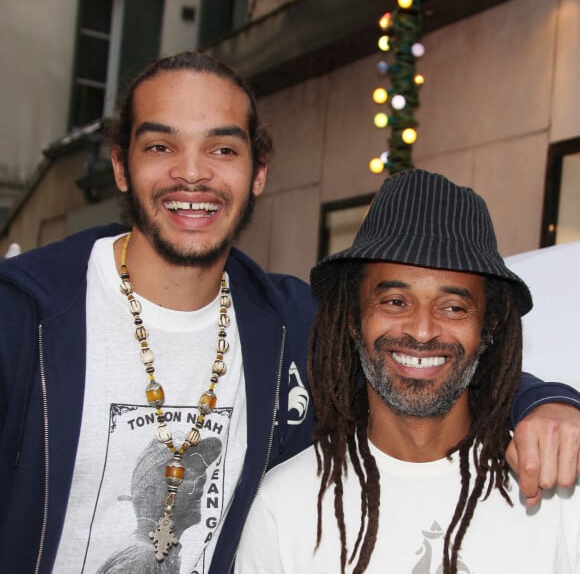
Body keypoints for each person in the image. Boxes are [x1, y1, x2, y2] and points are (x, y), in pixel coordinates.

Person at [0, 53, 577, 574]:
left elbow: (430, 360)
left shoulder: (287, 323)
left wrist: (547, 402)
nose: (193, 173)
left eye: (222, 148)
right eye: (161, 146)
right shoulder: (23, 318)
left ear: (259, 172)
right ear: (121, 166)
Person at [235, 169, 580, 573]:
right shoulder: (284, 504)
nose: (422, 330)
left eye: (453, 307)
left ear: (490, 327)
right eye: (395, 301)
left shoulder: (555, 490)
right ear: (352, 318)